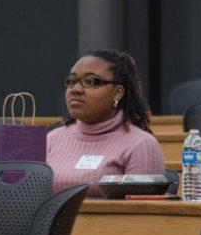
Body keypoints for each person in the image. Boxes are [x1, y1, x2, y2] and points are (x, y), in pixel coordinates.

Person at [46, 49, 163, 193]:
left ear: (117, 93)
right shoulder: (52, 139)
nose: (75, 89)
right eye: (71, 81)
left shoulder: (141, 145)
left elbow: (140, 213)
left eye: (90, 81)